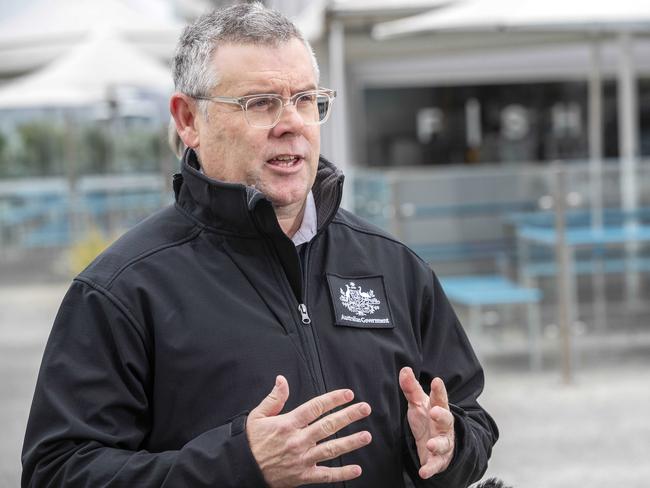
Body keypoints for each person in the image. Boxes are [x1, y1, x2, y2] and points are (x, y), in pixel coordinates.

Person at [21, 3, 498, 487]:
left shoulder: (393, 265)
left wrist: (450, 444)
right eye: (261, 103)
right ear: (189, 119)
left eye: (306, 99)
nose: (291, 122)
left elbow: (470, 416)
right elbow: (57, 473)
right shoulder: (121, 290)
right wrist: (237, 466)